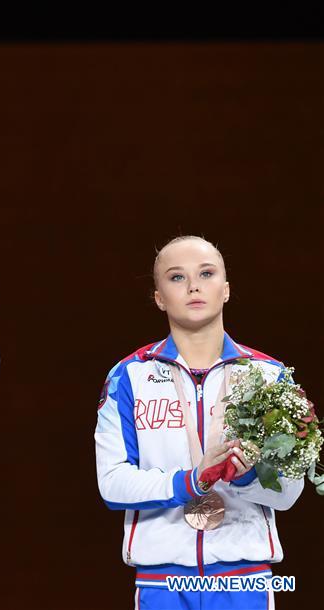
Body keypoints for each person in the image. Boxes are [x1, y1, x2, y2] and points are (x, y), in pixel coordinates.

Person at [94, 235, 303, 610]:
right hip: (163, 580)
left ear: (225, 290)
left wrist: (246, 476)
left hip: (245, 579)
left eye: (206, 274)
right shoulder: (129, 376)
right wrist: (192, 480)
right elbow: (112, 484)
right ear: (159, 297)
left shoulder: (270, 377)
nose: (193, 286)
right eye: (176, 277)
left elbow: (289, 492)